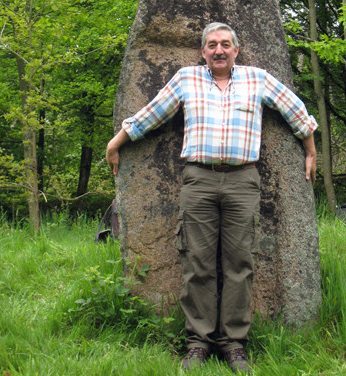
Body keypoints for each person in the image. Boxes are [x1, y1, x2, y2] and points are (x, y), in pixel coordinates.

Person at [106, 22, 317, 373]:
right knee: (197, 263)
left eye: (225, 44)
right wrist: (117, 142)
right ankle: (197, 343)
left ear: (237, 50)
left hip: (242, 181)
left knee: (239, 264)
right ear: (203, 51)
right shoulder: (187, 79)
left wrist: (310, 149)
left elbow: (294, 109)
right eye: (212, 45)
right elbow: (153, 113)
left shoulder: (257, 79)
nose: (219, 50)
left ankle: (234, 345)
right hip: (199, 181)